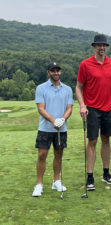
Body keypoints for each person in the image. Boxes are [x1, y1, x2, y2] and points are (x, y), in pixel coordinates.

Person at [76, 34, 111, 190]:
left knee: (106, 140)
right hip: (92, 108)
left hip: (108, 107)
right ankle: (90, 176)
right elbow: (79, 87)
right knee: (92, 141)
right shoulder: (85, 64)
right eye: (99, 45)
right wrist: (82, 105)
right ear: (94, 46)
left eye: (104, 45)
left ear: (106, 47)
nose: (102, 48)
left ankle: (106, 174)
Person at [32, 62, 73, 197]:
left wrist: (62, 119)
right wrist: (53, 120)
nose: (56, 73)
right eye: (53, 71)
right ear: (48, 72)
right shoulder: (41, 88)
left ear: (60, 72)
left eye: (58, 71)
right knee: (42, 155)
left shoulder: (67, 89)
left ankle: (56, 181)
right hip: (45, 128)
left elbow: (69, 108)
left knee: (59, 155)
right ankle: (39, 184)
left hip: (61, 128)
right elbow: (41, 108)